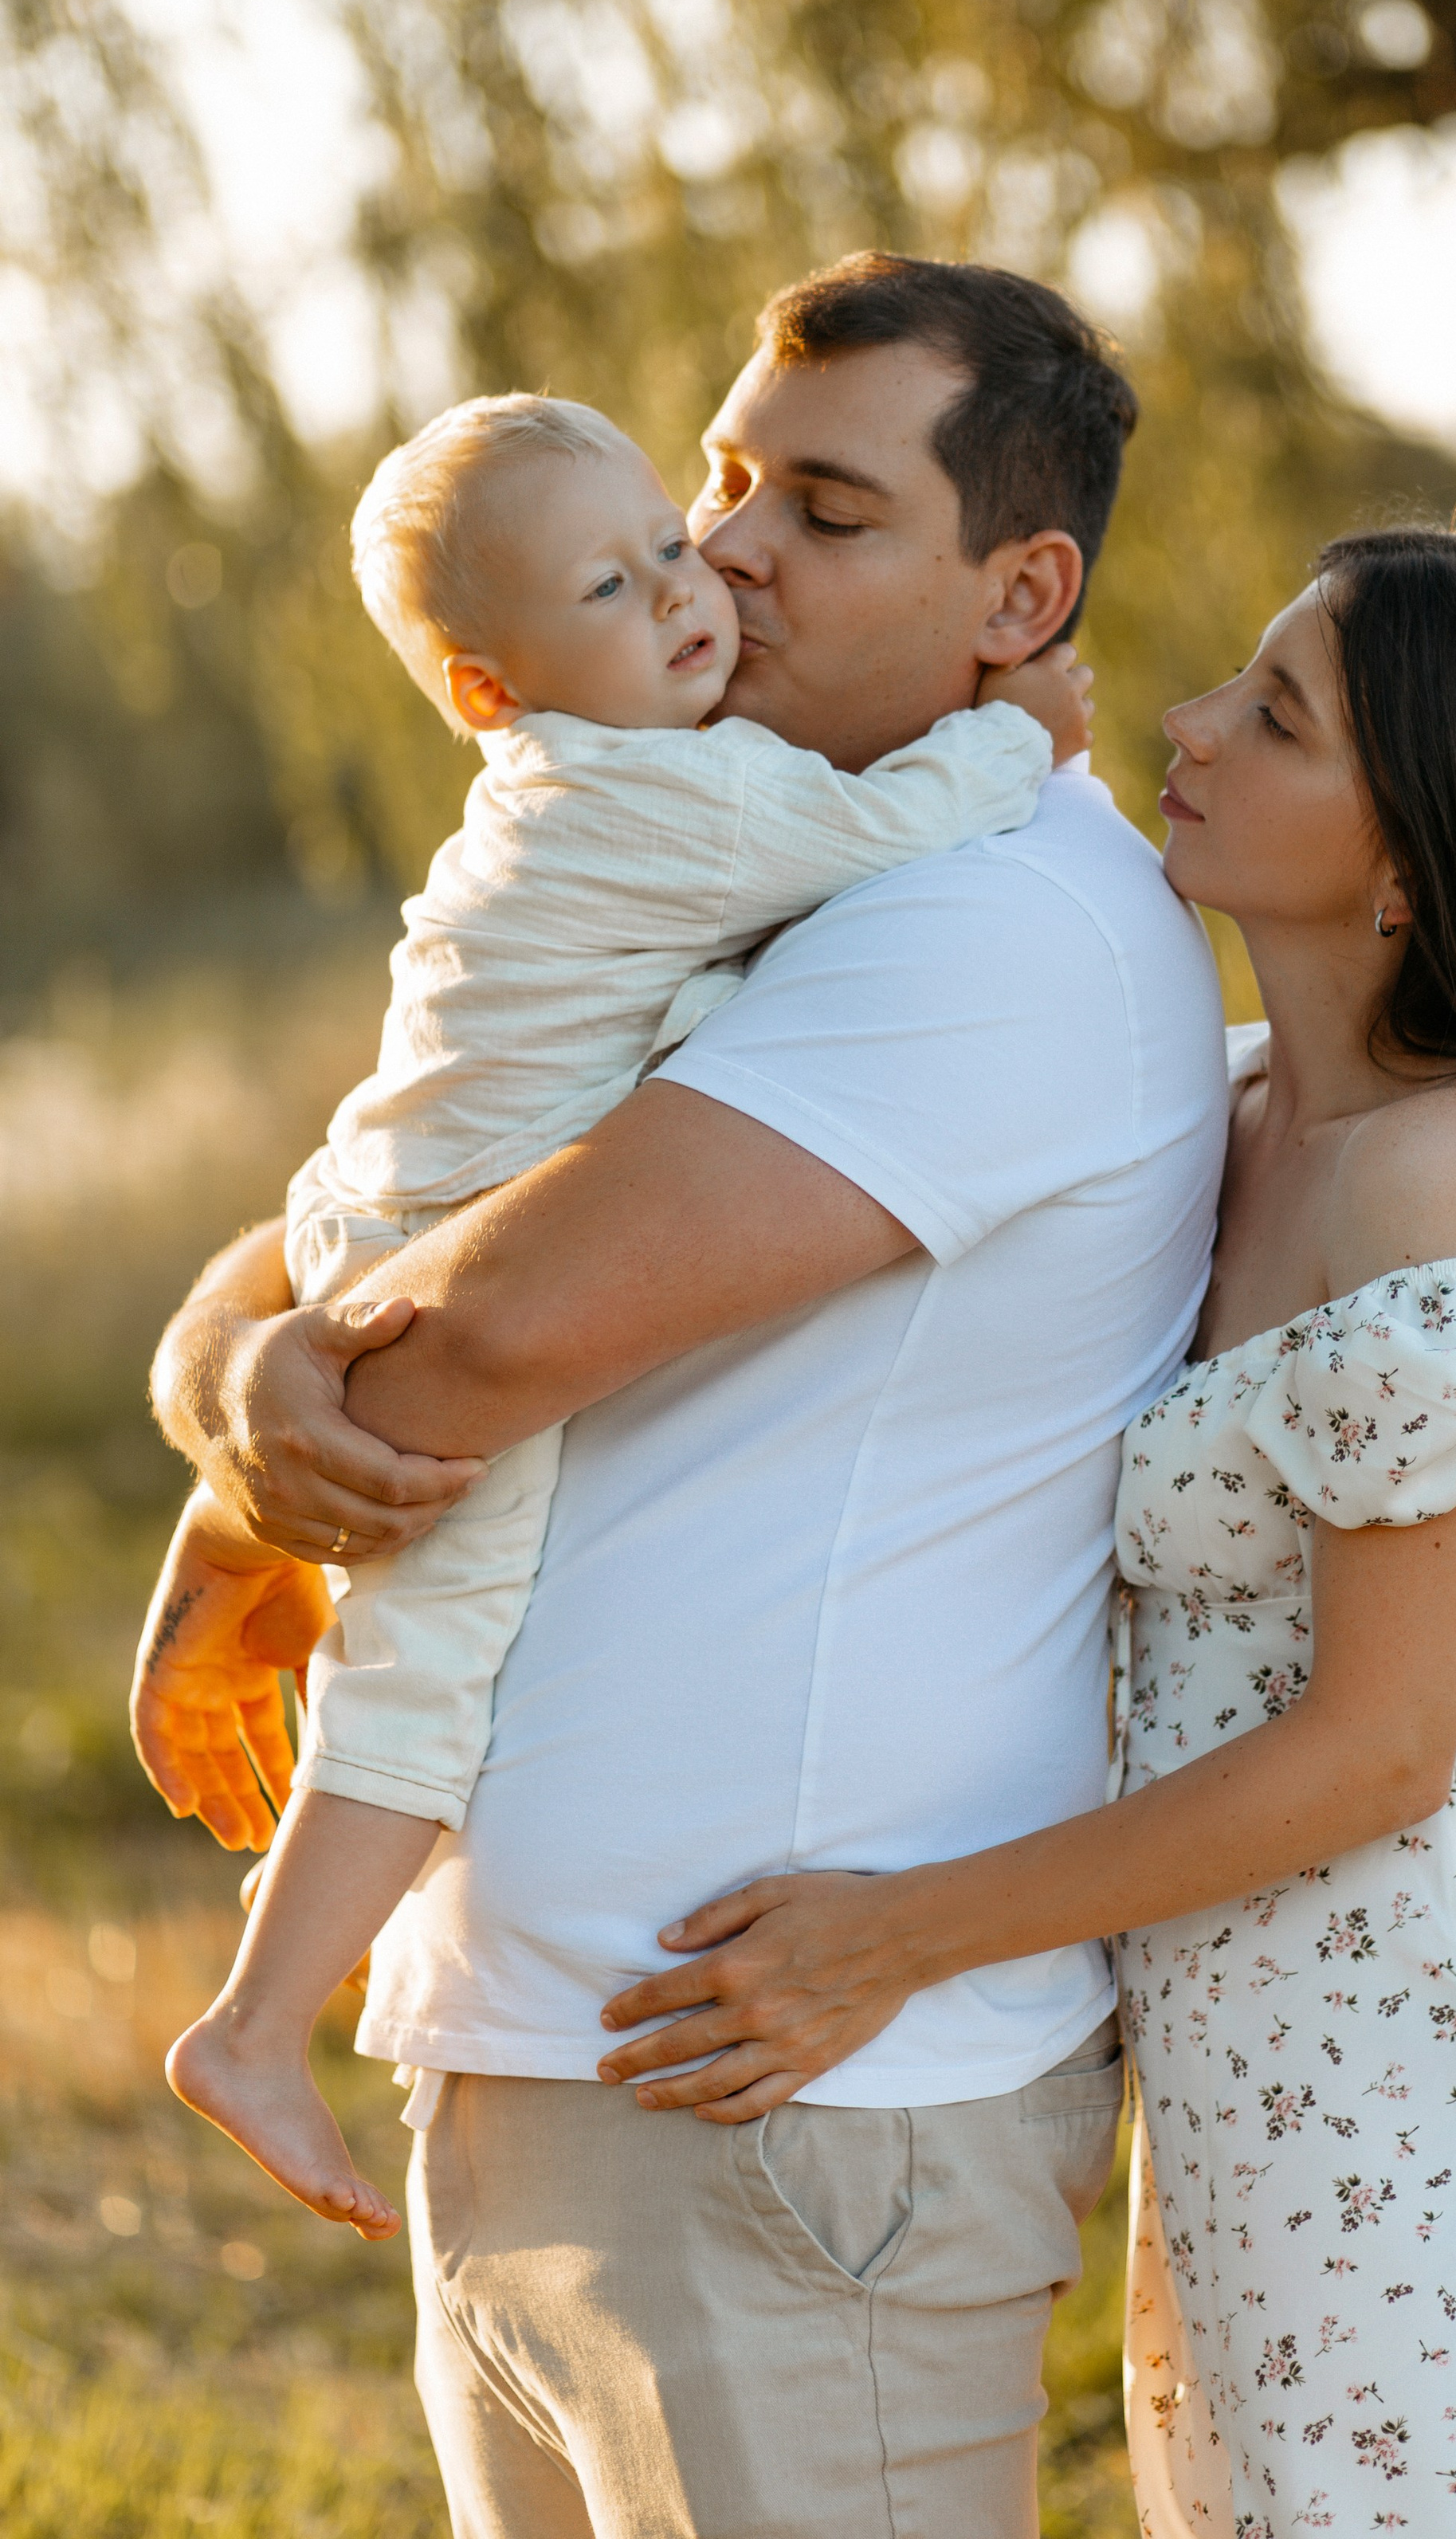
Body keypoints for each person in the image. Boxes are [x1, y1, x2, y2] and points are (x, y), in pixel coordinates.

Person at [135, 253, 1230, 2539]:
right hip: (565, 2062)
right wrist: (230, 1367)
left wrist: (264, 1431)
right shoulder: (723, 859)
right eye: (724, 477)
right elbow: (390, 1199)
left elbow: (481, 1332)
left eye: (824, 511)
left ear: (1022, 594)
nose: (728, 546)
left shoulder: (991, 916)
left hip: (779, 2111)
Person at [582, 528, 1456, 2536]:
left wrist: (892, 1933)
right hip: (1243, 2093)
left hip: (1417, 2106)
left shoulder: (1445, 1180)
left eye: (1274, 715)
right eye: (1234, 679)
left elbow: (1374, 1752)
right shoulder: (1224, 1113)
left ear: (1410, 864)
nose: (1190, 724)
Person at [155, 382, 1092, 2241]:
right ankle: (257, 2024)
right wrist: (1025, 738)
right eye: (617, 582)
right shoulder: (671, 798)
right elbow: (877, 829)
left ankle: (223, 1578)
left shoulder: (562, 793)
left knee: (398, 1609)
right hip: (439, 1236)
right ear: (488, 691)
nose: (697, 581)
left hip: (387, 1192)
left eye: (681, 535)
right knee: (429, 1654)